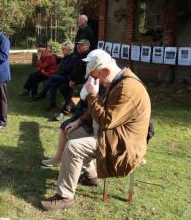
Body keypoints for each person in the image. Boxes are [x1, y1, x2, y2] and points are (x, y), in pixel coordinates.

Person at [40, 49, 151, 211]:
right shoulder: (119, 81)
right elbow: (102, 108)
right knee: (70, 131)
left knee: (74, 147)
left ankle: (65, 196)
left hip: (121, 145)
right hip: (110, 135)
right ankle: (92, 176)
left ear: (105, 70)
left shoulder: (127, 88)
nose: (95, 80)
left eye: (95, 75)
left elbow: (107, 120)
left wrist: (92, 96)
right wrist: (79, 121)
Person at [53, 39, 91, 121]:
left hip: (85, 82)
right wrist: (70, 80)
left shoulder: (89, 57)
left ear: (87, 47)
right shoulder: (78, 55)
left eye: (81, 45)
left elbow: (86, 74)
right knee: (62, 87)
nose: (78, 46)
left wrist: (75, 82)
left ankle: (63, 113)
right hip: (74, 81)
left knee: (75, 92)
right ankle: (73, 107)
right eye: (78, 45)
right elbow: (73, 70)